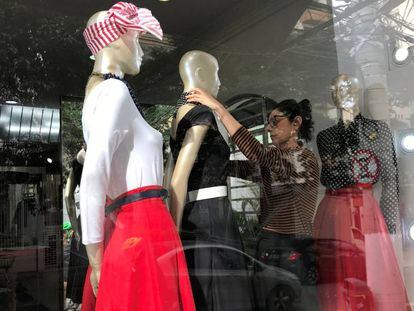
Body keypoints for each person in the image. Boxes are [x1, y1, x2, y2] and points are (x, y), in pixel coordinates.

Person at [79, 2, 195, 310]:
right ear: (116, 39)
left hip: (131, 227)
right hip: (142, 226)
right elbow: (93, 172)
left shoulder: (100, 94)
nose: (141, 50)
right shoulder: (114, 92)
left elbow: (92, 165)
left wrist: (97, 252)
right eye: (137, 39)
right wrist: (95, 256)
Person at [186, 89, 320, 309]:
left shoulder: (302, 159)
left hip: (292, 246)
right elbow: (242, 167)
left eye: (275, 122)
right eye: (268, 123)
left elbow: (258, 154)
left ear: (296, 123)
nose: (269, 128)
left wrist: (219, 109)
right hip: (269, 245)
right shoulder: (274, 160)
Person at [314, 74, 410, 311]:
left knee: (373, 268)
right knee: (340, 268)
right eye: (335, 89)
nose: (340, 93)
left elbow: (389, 177)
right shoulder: (325, 136)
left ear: (357, 92)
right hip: (336, 209)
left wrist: (388, 224)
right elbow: (333, 176)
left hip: (366, 208)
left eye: (346, 87)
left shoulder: (378, 129)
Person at [168, 50, 254, 310]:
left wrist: (174, 223)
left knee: (203, 287)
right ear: (202, 74)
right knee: (224, 291)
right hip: (212, 214)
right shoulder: (201, 114)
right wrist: (171, 232)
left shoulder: (178, 115)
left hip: (194, 213)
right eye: (216, 74)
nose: (219, 82)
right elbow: (178, 177)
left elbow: (173, 173)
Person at [64, 148, 88, 308]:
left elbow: (68, 196)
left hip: (84, 220)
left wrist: (76, 229)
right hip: (107, 217)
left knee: (84, 265)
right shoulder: (107, 151)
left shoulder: (78, 159)